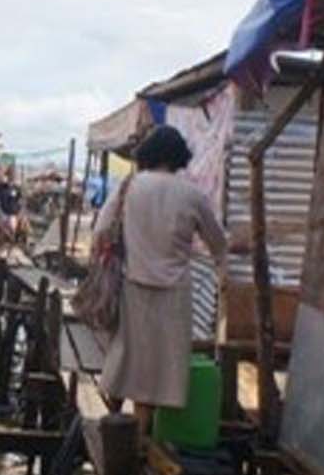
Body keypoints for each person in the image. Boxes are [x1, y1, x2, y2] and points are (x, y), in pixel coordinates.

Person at [94, 125, 227, 436]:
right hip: (174, 293)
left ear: (149, 153)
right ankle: (141, 437)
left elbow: (101, 228)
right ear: (179, 157)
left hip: (133, 284)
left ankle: (115, 418)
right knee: (158, 370)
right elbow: (218, 243)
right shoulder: (192, 194)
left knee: (127, 354)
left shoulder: (130, 186)